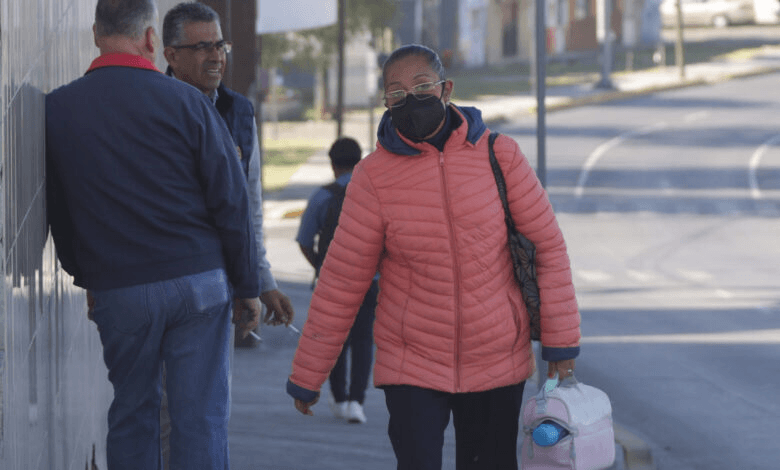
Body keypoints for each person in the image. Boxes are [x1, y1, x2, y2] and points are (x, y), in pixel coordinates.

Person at [286, 44, 581, 469]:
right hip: (412, 363)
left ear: (446, 90)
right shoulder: (373, 177)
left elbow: (548, 249)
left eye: (422, 86)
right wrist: (308, 374)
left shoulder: (501, 156)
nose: (410, 100)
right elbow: (342, 279)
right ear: (385, 102)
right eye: (396, 93)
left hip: (495, 357)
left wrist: (560, 346)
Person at [46, 1, 291, 468]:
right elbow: (232, 202)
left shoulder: (57, 109)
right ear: (152, 40)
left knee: (134, 414)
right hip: (200, 284)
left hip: (121, 288)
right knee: (201, 419)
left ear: (96, 33)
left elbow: (60, 211)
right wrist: (245, 287)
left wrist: (86, 276)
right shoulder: (190, 104)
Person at [162, 1, 294, 344]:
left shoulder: (238, 112)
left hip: (219, 287)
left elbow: (248, 206)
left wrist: (260, 282)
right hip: (160, 284)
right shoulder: (152, 109)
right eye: (202, 47)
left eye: (220, 45)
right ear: (171, 55)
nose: (216, 56)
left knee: (210, 397)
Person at [296, 137, 378, 424]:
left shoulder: (323, 196)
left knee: (336, 340)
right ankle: (357, 401)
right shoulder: (373, 193)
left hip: (333, 284)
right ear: (360, 162)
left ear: (332, 164)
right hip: (371, 280)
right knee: (364, 340)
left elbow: (305, 239)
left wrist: (321, 266)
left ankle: (340, 397)